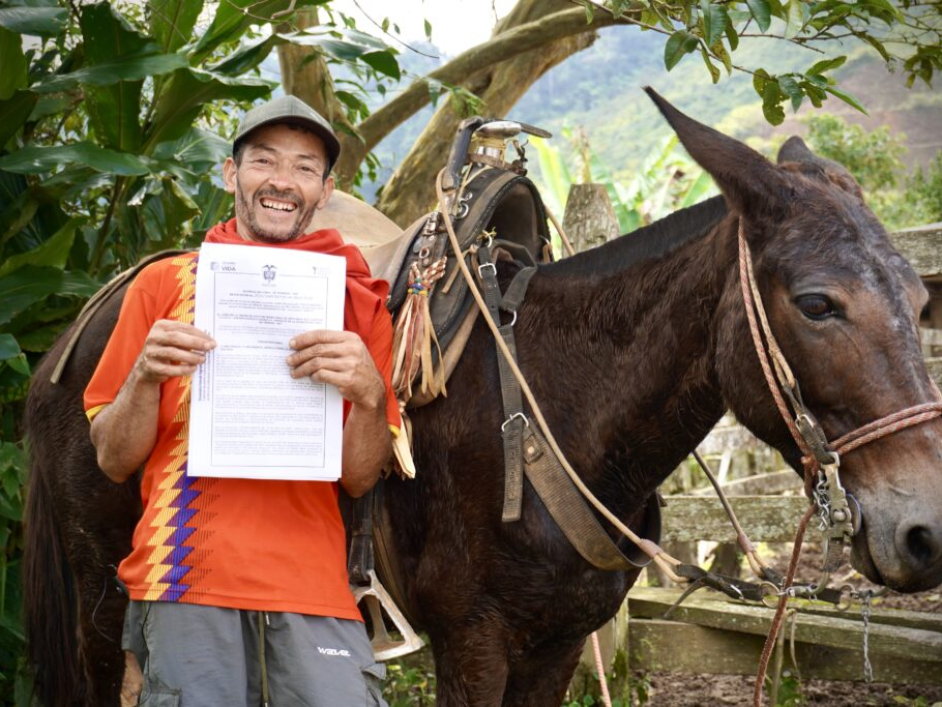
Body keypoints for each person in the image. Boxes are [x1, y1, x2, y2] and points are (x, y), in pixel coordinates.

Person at [84, 95, 398, 706]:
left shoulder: (355, 303)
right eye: (264, 161)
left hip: (312, 586)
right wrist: (144, 377)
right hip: (182, 575)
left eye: (305, 167)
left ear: (325, 189)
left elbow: (360, 479)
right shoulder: (164, 284)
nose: (283, 181)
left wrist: (369, 392)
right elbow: (112, 460)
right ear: (232, 174)